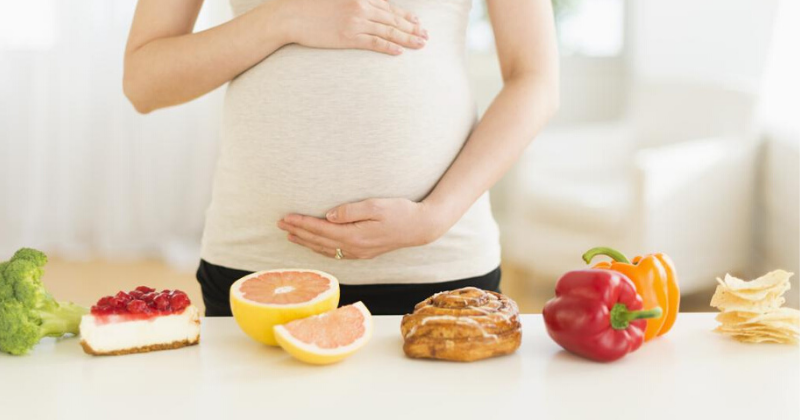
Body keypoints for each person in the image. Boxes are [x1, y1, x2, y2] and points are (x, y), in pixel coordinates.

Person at [123, 0, 559, 316]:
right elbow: (144, 82)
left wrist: (434, 216)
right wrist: (283, 17)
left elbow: (534, 77)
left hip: (439, 263)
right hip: (259, 267)